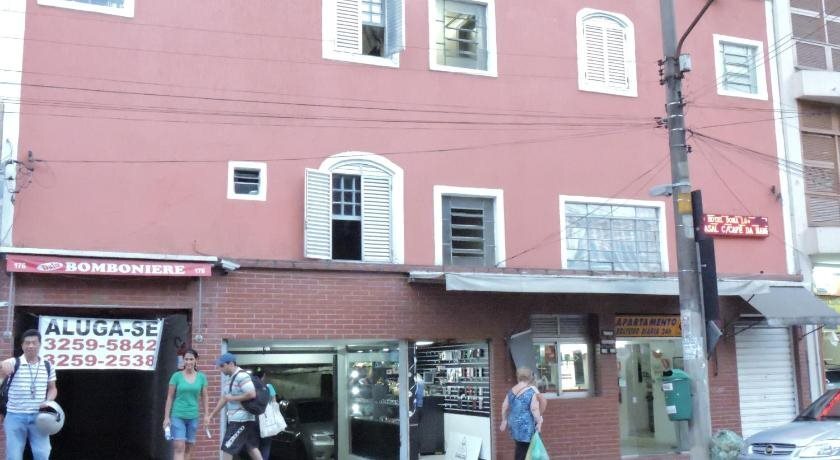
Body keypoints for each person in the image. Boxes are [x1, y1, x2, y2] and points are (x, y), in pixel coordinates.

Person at [0, 329, 58, 460]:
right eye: (27, 343)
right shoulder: (14, 362)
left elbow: (53, 388)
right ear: (22, 345)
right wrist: (2, 364)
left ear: (40, 344)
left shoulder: (48, 365)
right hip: (15, 416)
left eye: (34, 342)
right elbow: (3, 366)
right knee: (13, 456)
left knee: (42, 454)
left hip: (39, 417)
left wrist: (48, 401)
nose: (31, 346)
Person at [205, 353, 262, 460]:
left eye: (222, 366)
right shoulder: (229, 379)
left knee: (227, 448)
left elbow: (251, 394)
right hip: (243, 420)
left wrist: (232, 398)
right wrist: (211, 416)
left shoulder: (242, 376)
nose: (220, 369)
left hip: (241, 420)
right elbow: (224, 399)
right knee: (251, 448)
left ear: (231, 364)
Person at [163, 348, 209, 460]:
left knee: (188, 448)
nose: (188, 362)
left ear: (196, 360)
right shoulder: (176, 376)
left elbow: (205, 397)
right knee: (179, 447)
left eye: (191, 359)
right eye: (186, 359)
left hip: (193, 416)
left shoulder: (201, 377)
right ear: (183, 360)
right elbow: (170, 397)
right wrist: (166, 417)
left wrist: (206, 415)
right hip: (177, 415)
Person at [499, 367, 543, 460]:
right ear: (530, 378)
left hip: (513, 424)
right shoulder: (531, 391)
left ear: (518, 377)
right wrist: (539, 421)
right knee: (527, 450)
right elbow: (534, 409)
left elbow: (504, 406)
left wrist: (504, 420)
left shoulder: (511, 390)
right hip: (526, 425)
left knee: (520, 447)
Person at [253, 367, 277, 460]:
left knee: (254, 445)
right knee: (266, 445)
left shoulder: (251, 387)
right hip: (267, 419)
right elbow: (274, 402)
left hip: (254, 418)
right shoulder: (269, 387)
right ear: (264, 376)